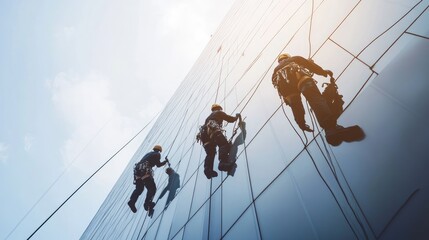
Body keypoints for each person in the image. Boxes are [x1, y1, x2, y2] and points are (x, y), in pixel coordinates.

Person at [272, 53, 344, 139]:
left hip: (286, 89)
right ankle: (330, 128)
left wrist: (301, 123)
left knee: (296, 106)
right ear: (288, 57)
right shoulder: (294, 59)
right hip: (301, 80)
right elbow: (309, 65)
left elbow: (295, 107)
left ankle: (302, 123)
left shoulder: (275, 72)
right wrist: (323, 72)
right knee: (316, 100)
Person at [198, 104, 240, 179]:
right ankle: (223, 163)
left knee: (210, 153)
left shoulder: (208, 118)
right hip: (212, 129)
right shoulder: (218, 112)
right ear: (219, 108)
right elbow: (229, 118)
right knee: (223, 144)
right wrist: (236, 117)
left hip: (204, 136)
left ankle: (208, 170)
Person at [127, 145, 168, 213]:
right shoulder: (157, 154)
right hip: (144, 169)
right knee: (152, 188)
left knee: (139, 188)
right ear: (159, 151)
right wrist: (165, 161)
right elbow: (158, 165)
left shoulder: (148, 154)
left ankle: (132, 201)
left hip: (137, 170)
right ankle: (147, 204)